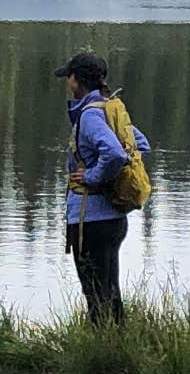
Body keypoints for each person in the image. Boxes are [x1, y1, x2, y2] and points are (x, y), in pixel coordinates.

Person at [57, 49, 147, 321]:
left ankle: (101, 355)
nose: (67, 83)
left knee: (95, 294)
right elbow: (139, 144)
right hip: (114, 218)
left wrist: (92, 177)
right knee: (110, 292)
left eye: (69, 77)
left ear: (77, 82)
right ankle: (116, 347)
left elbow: (117, 154)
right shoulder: (110, 108)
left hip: (91, 219)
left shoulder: (90, 116)